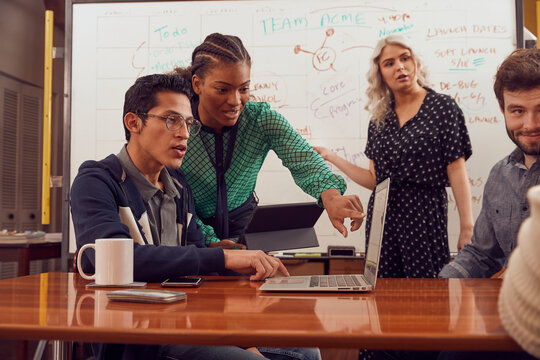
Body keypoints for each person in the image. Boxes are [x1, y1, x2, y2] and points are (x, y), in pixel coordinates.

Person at [70, 73, 320, 360]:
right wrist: (223, 258)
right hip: (139, 341)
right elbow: (114, 259)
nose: (184, 134)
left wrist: (251, 264)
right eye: (171, 120)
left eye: (189, 124)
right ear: (133, 122)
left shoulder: (177, 184)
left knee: (306, 351)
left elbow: (198, 256)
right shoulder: (97, 181)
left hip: (186, 324)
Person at [172, 33, 364, 248]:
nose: (235, 101)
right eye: (222, 89)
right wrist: (209, 242)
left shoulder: (261, 120)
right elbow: (173, 193)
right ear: (197, 84)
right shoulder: (177, 125)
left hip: (243, 223)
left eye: (243, 89)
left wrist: (331, 196)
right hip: (190, 223)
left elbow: (302, 158)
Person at [314, 34, 473, 279]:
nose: (399, 66)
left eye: (405, 58)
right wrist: (332, 156)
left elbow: (456, 171)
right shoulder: (379, 119)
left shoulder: (443, 107)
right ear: (381, 74)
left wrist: (467, 226)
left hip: (425, 215)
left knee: (428, 294)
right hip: (383, 217)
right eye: (389, 63)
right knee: (383, 293)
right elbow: (374, 179)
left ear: (415, 63)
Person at [439, 48, 540, 279]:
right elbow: (482, 255)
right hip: (514, 309)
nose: (530, 124)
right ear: (501, 108)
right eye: (517, 111)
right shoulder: (500, 175)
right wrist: (443, 288)